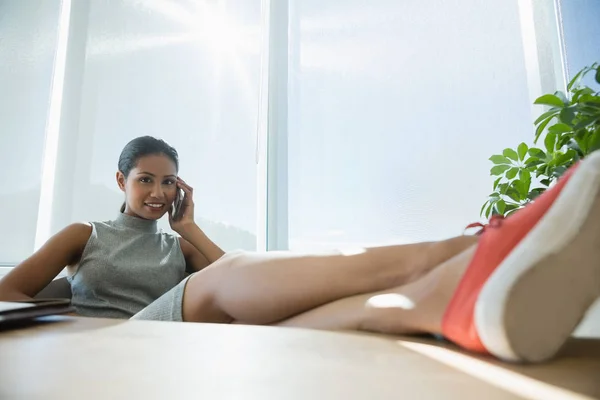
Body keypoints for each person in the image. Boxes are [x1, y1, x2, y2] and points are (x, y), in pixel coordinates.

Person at [1, 136, 599, 364]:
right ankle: (451, 254)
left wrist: (189, 231)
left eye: (168, 182)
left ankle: (437, 302)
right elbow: (7, 295)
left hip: (168, 346)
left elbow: (228, 288)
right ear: (121, 182)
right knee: (228, 274)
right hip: (112, 348)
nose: (157, 193)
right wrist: (78, 328)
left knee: (278, 320)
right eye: (145, 181)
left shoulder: (180, 248)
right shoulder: (86, 234)